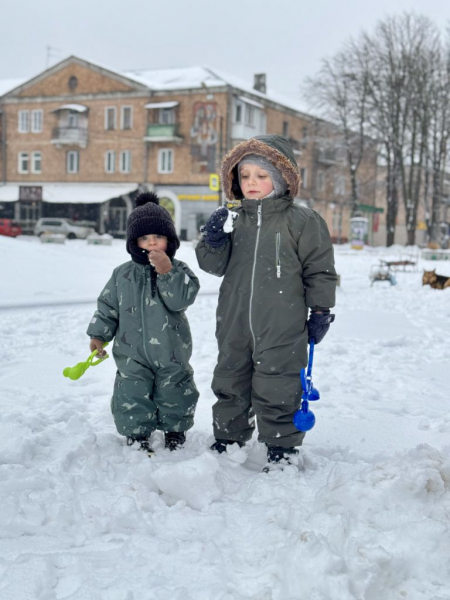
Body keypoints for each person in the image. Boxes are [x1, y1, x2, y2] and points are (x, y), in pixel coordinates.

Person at [196, 135, 337, 469]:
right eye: (245, 176)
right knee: (230, 377)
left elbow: (319, 269)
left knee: (279, 382)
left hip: (282, 321)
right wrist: (213, 239)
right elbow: (212, 265)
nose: (251, 183)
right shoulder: (233, 219)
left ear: (280, 178)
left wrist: (320, 310)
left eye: (261, 176)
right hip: (234, 319)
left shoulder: (302, 221)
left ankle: (281, 446)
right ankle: (229, 437)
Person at [87, 192, 200, 454]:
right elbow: (108, 307)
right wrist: (98, 335)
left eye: (158, 238)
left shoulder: (179, 269)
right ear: (133, 242)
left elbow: (181, 300)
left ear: (169, 241)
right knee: (131, 392)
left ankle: (175, 430)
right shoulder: (122, 274)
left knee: (175, 389)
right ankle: (137, 434)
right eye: (144, 238)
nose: (151, 244)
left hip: (171, 350)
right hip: (131, 352)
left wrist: (167, 272)